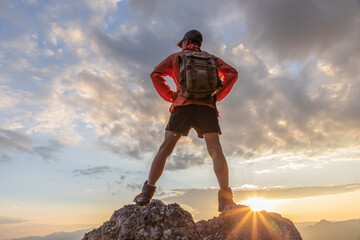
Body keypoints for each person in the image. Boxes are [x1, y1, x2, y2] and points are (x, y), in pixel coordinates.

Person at [134, 30, 238, 212]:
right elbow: (232, 73)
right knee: (215, 150)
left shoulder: (176, 57)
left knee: (166, 148)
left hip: (182, 106)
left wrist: (171, 96)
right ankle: (226, 200)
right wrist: (215, 96)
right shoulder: (212, 59)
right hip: (207, 108)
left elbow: (155, 74)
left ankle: (147, 192)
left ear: (186, 41)